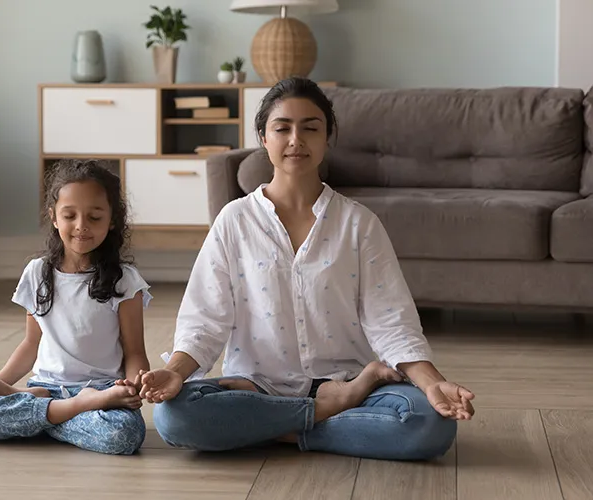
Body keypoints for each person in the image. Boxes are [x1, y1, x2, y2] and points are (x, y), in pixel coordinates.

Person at [139, 77, 475, 461]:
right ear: (263, 138)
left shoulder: (358, 224)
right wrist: (177, 372)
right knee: (174, 417)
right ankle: (323, 415)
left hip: (350, 383)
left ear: (327, 138)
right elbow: (205, 320)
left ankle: (274, 430)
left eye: (310, 128)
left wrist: (433, 384)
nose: (296, 139)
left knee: (429, 423)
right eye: (282, 128)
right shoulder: (234, 221)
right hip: (258, 387)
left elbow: (391, 323)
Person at [0, 159, 152, 455]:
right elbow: (32, 342)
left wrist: (131, 387)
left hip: (100, 391)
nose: (81, 226)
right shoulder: (37, 272)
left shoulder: (126, 281)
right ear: (54, 217)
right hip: (46, 387)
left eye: (94, 217)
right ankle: (69, 410)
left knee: (124, 434)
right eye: (70, 215)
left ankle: (42, 416)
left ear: (113, 220)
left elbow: (134, 351)